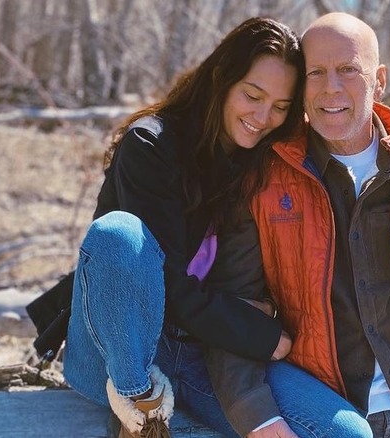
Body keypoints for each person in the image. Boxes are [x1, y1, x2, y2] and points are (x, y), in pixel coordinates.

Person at [205, 12, 390, 438]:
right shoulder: (262, 180)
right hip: (319, 415)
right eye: (315, 72)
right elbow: (236, 307)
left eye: (347, 70)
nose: (330, 88)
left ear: (379, 80)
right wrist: (258, 417)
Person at [44, 17, 305, 438]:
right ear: (222, 79)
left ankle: (170, 420)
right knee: (119, 235)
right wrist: (260, 330)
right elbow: (168, 284)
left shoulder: (258, 163)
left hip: (200, 354)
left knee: (343, 430)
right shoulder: (151, 146)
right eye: (252, 95)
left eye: (280, 107)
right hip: (119, 352)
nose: (263, 116)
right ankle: (140, 409)